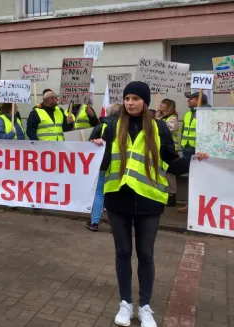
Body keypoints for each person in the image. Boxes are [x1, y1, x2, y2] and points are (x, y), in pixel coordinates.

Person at [90, 81, 189, 327]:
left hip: (149, 201)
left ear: (145, 101)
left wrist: (196, 160)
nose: (130, 102)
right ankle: (125, 303)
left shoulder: (159, 128)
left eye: (135, 98)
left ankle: (145, 306)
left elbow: (172, 162)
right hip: (118, 199)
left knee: (146, 254)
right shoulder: (109, 126)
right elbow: (98, 165)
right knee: (122, 253)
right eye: (127, 98)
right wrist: (94, 149)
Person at [85, 103, 121, 232]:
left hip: (101, 164)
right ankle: (115, 225)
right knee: (114, 194)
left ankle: (94, 223)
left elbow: (90, 144)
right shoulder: (124, 127)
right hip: (118, 164)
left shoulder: (100, 126)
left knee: (99, 193)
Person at [177, 92, 211, 213]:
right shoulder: (187, 114)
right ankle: (191, 204)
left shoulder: (209, 113)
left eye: (191, 98)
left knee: (203, 179)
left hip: (201, 152)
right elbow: (184, 130)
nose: (188, 101)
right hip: (188, 150)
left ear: (199, 100)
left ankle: (202, 206)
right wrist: (183, 144)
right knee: (192, 179)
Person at [155, 99, 179, 207]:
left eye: (163, 104)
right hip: (160, 148)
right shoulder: (160, 117)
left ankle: (171, 195)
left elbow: (167, 130)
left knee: (169, 174)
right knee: (160, 172)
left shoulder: (172, 118)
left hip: (169, 150)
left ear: (168, 107)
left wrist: (157, 120)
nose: (160, 105)